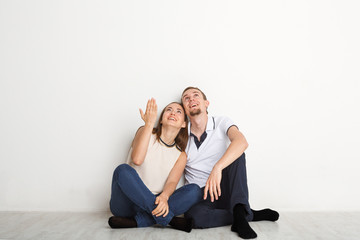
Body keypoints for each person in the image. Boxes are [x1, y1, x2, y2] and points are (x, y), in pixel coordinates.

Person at [181, 87, 279, 239]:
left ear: (206, 103)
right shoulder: (181, 135)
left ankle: (240, 213)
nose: (191, 99)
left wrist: (217, 167)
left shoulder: (221, 122)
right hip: (202, 194)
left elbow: (242, 142)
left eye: (196, 96)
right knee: (194, 217)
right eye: (186, 98)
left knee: (238, 155)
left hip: (225, 186)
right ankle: (245, 214)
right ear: (185, 109)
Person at [108, 98, 202, 232]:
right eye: (168, 110)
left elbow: (172, 182)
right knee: (122, 170)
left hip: (157, 203)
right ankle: (169, 219)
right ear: (161, 119)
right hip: (126, 203)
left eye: (178, 112)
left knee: (195, 191)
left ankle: (137, 221)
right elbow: (137, 160)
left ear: (183, 124)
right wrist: (149, 123)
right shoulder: (145, 131)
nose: (173, 113)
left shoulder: (180, 155)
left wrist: (164, 196)